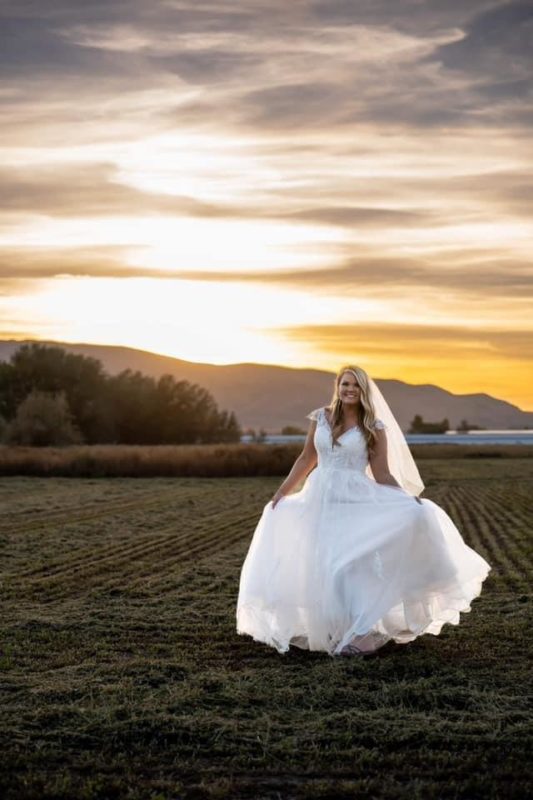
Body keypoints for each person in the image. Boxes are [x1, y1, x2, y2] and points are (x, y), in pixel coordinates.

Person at [236, 364, 491, 657]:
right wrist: (282, 493)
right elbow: (307, 457)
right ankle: (337, 625)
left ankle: (362, 631)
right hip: (320, 500)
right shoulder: (321, 417)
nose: (349, 390)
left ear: (364, 391)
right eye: (345, 384)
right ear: (338, 387)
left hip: (355, 501)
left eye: (355, 386)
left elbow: (381, 474)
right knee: (324, 565)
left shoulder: (374, 427)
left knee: (349, 566)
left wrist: (407, 500)